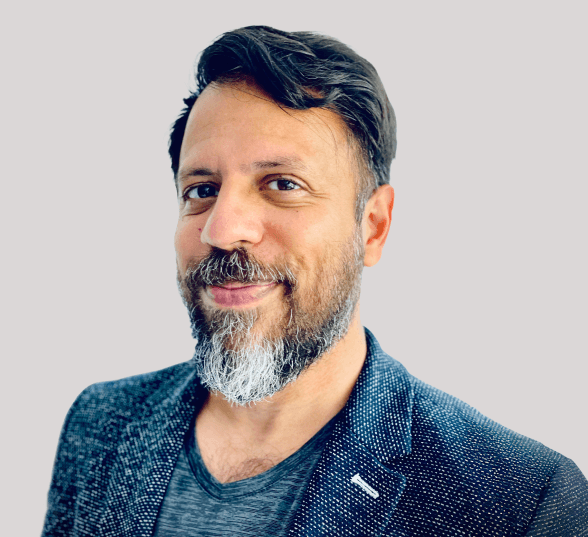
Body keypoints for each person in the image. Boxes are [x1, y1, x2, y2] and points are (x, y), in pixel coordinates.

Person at [41, 26, 588, 537]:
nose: (221, 230)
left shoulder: (521, 501)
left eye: (282, 184)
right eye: (201, 190)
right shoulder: (99, 424)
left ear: (373, 226)